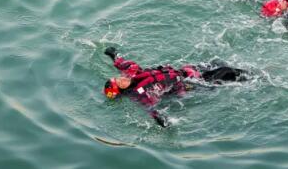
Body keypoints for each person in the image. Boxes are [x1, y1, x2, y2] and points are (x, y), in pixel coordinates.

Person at [101, 46, 248, 127]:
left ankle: (251, 73)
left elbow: (122, 64)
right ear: (122, 90)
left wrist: (114, 55)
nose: (122, 78)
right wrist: (160, 119)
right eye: (119, 82)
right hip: (192, 85)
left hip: (187, 71)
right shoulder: (140, 94)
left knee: (217, 61)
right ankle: (261, 78)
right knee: (229, 73)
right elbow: (150, 108)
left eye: (118, 78)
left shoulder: (131, 74)